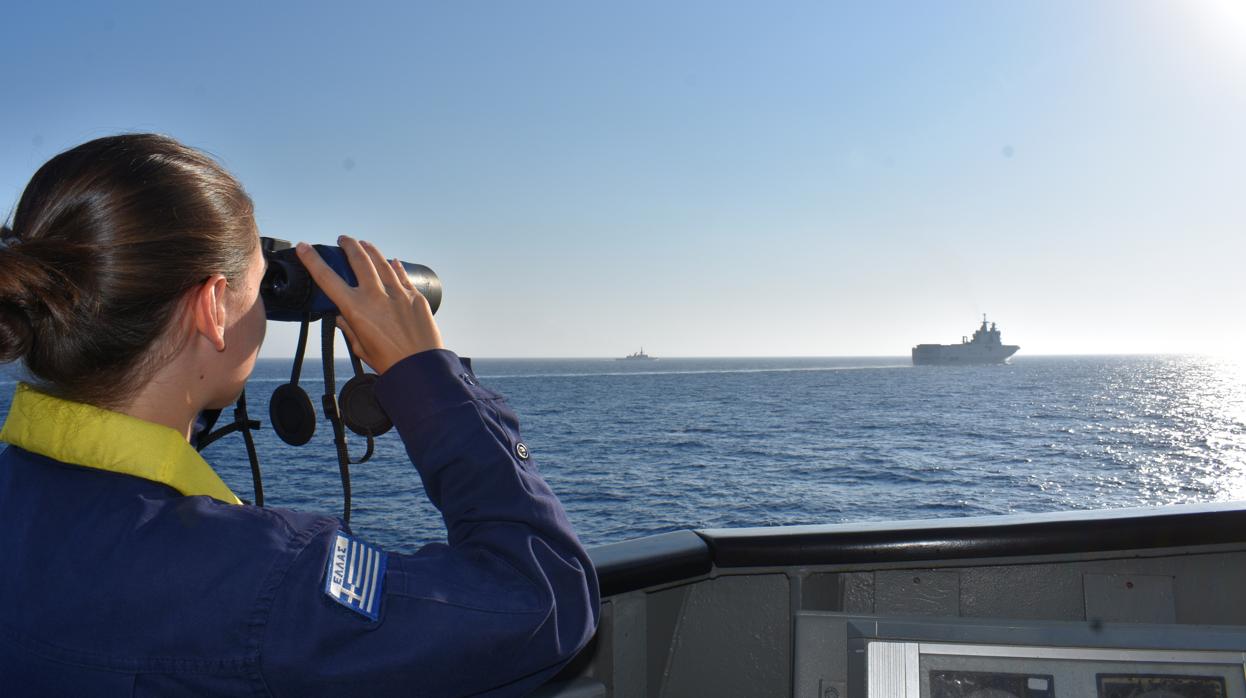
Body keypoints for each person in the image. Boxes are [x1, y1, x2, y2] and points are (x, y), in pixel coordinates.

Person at [0, 134, 599, 696]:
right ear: (212, 307)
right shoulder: (265, 583)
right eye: (259, 287)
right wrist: (427, 374)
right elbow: (544, 599)